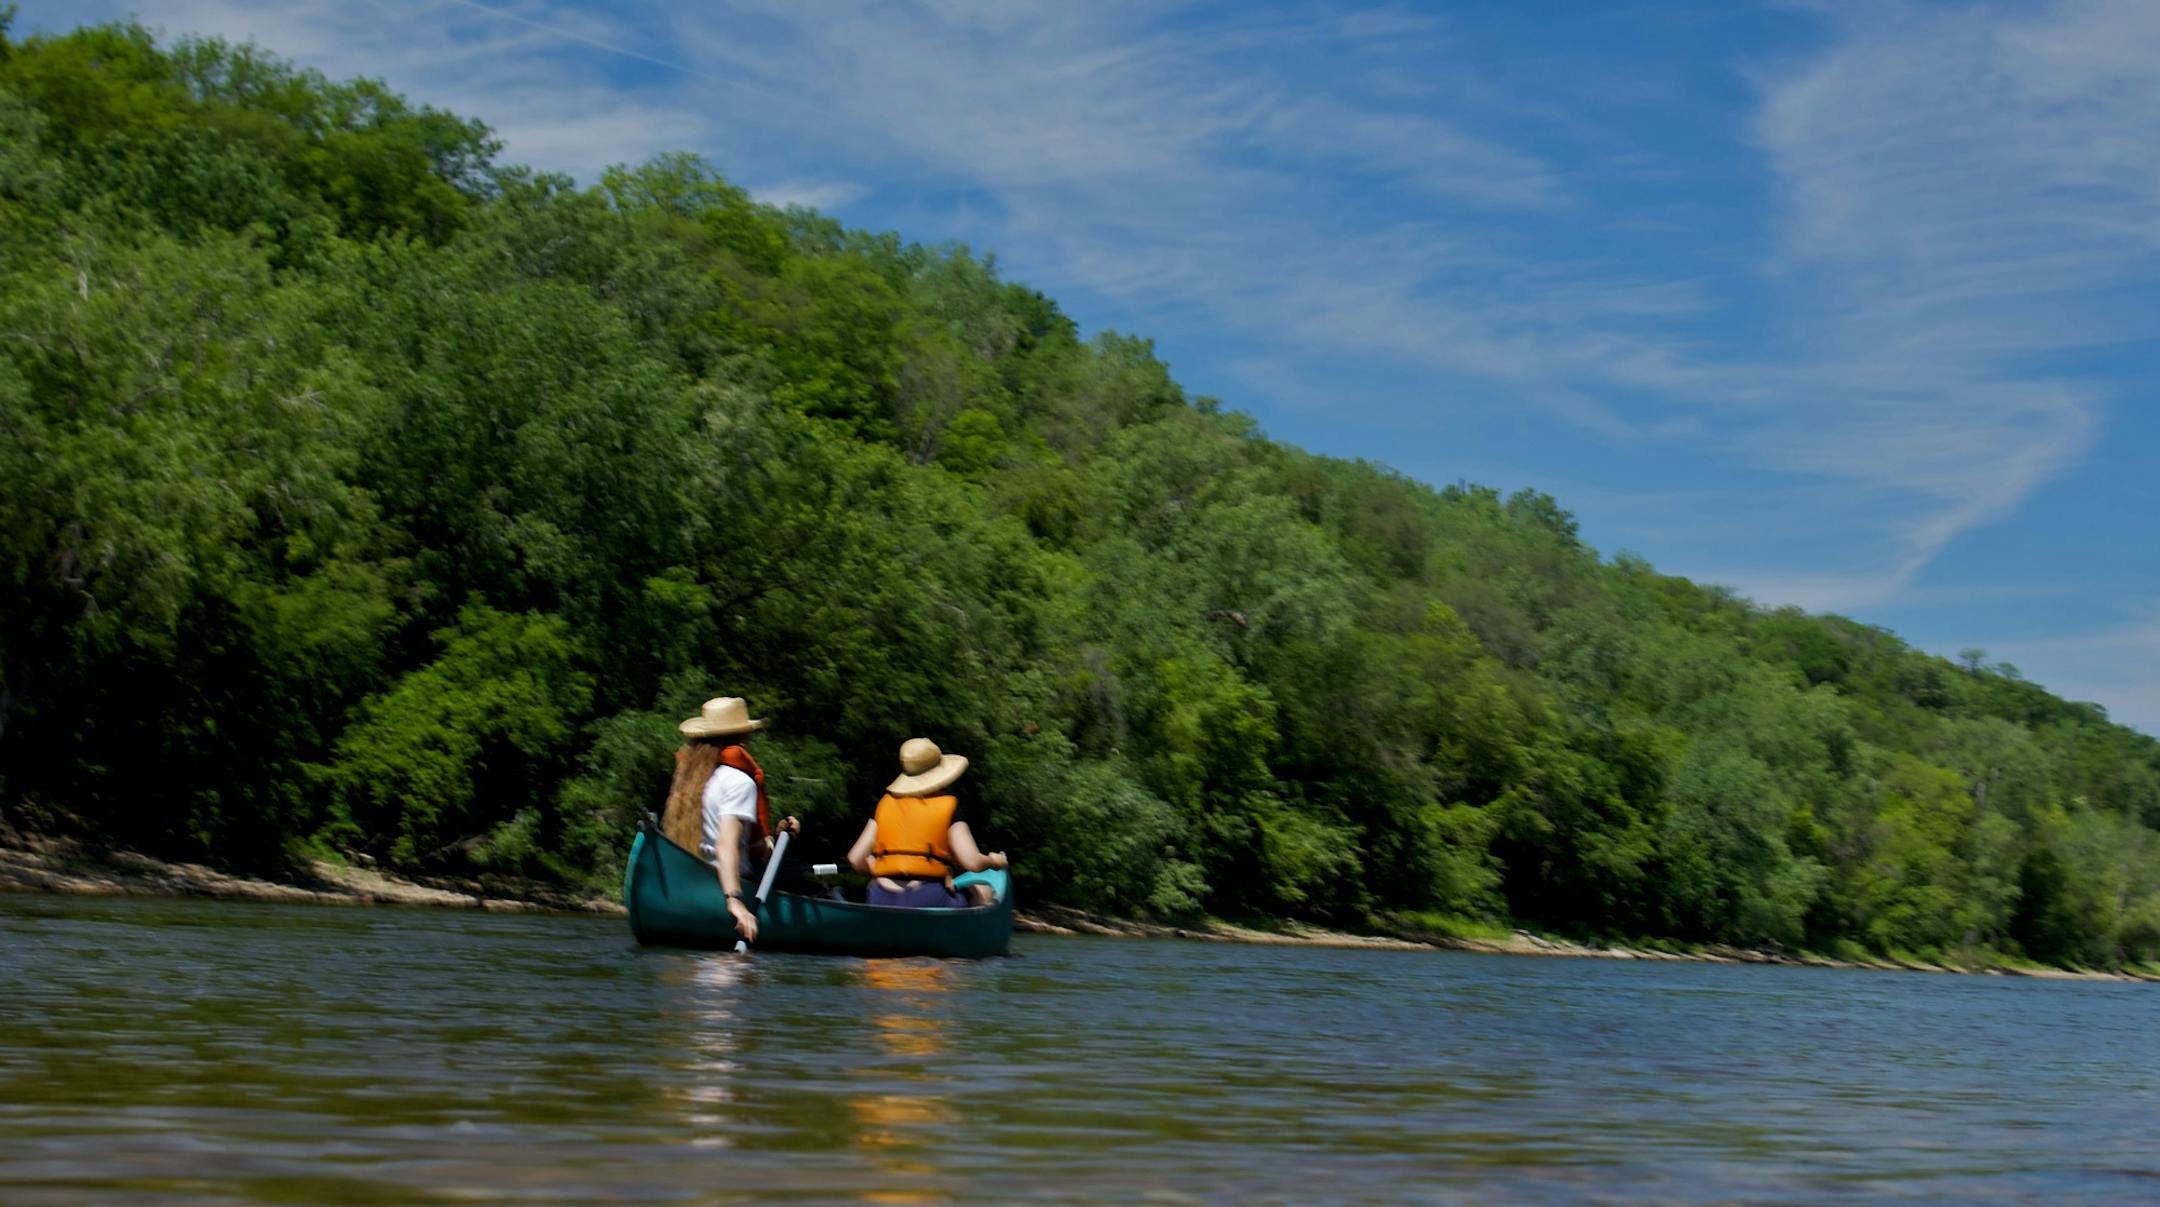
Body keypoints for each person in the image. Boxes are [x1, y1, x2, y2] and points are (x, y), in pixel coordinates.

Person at [660, 696, 800, 943]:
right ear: (743, 737)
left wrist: (776, 837)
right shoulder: (739, 781)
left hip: (693, 880)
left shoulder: (693, 780)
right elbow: (726, 844)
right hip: (729, 885)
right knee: (806, 885)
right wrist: (734, 901)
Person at [846, 738, 1008, 908]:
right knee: (984, 891)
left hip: (880, 897)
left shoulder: (884, 804)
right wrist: (994, 860)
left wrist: (878, 865)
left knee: (872, 886)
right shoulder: (949, 805)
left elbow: (855, 859)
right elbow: (972, 862)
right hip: (928, 896)